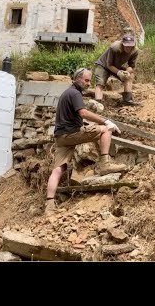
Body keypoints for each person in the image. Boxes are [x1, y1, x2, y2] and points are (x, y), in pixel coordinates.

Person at [45, 68, 128, 215]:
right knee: (106, 129)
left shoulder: (66, 93)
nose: (88, 83)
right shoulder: (75, 93)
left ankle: (49, 205)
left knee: (58, 169)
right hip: (72, 134)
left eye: (90, 80)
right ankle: (105, 164)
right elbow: (83, 112)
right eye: (86, 80)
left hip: (61, 138)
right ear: (77, 78)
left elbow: (73, 117)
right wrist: (105, 120)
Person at [94, 33, 141, 106]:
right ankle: (98, 103)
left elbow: (132, 66)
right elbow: (109, 65)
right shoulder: (114, 47)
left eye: (130, 46)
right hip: (103, 65)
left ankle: (127, 99)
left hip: (116, 65)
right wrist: (119, 72)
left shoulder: (135, 51)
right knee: (100, 83)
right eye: (126, 46)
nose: (128, 48)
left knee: (130, 75)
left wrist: (126, 72)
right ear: (122, 44)